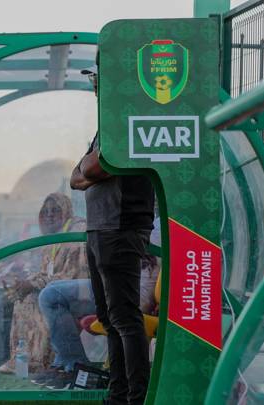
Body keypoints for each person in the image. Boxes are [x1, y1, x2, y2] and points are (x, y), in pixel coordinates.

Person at [70, 61, 155, 405]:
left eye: (97, 77)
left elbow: (89, 167)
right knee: (110, 316)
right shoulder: (106, 123)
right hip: (101, 227)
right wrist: (90, 168)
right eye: (93, 77)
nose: (94, 84)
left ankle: (136, 397)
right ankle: (118, 394)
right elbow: (77, 177)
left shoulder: (124, 119)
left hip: (119, 226)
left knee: (124, 316)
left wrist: (90, 168)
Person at [38, 218, 162, 379]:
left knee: (52, 295)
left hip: (129, 294)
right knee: (52, 290)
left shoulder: (161, 225)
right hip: (120, 286)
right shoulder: (154, 221)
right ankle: (67, 363)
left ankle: (73, 366)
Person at [0, 192, 89, 375]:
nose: (49, 215)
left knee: (36, 299)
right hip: (59, 291)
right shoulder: (53, 238)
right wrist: (24, 282)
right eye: (45, 211)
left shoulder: (75, 233)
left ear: (66, 211)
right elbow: (47, 273)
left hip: (82, 294)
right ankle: (25, 358)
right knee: (22, 296)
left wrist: (33, 284)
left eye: (55, 210)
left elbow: (73, 276)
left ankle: (40, 361)